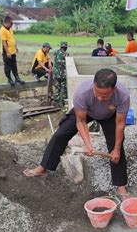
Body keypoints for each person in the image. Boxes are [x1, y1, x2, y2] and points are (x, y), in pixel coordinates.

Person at [23, 69, 130, 198]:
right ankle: (43, 167)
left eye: (105, 96)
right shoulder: (82, 92)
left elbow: (120, 124)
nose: (100, 98)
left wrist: (117, 149)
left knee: (116, 146)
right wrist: (88, 144)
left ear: (113, 89)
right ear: (93, 84)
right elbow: (80, 121)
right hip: (86, 112)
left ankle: (121, 185)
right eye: (97, 93)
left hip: (109, 116)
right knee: (61, 134)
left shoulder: (122, 95)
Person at [0, 16, 25, 86]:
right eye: (11, 23)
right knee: (8, 66)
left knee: (14, 65)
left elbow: (12, 38)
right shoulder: (2, 30)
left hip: (13, 51)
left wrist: (16, 47)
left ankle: (17, 77)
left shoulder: (10, 29)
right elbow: (4, 42)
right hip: (7, 52)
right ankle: (9, 78)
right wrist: (7, 52)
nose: (12, 25)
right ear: (6, 22)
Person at [52, 41, 68, 107]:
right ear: (66, 47)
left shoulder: (55, 52)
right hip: (63, 74)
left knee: (56, 87)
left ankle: (56, 102)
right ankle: (63, 102)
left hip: (56, 73)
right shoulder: (66, 54)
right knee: (63, 88)